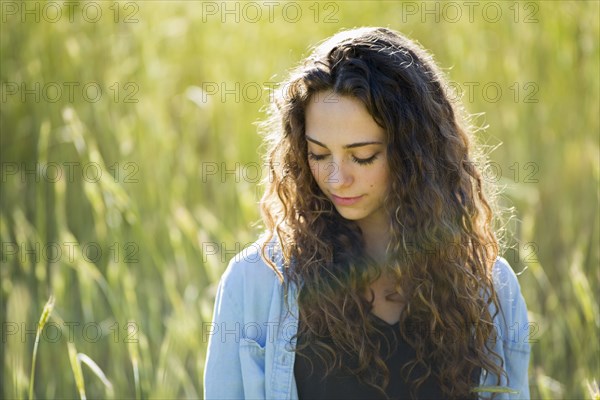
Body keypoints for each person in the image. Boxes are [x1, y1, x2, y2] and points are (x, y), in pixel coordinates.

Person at [203, 27, 531, 400]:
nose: (336, 178)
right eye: (319, 154)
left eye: (362, 155)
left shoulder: (491, 291)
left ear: (414, 156)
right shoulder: (254, 285)